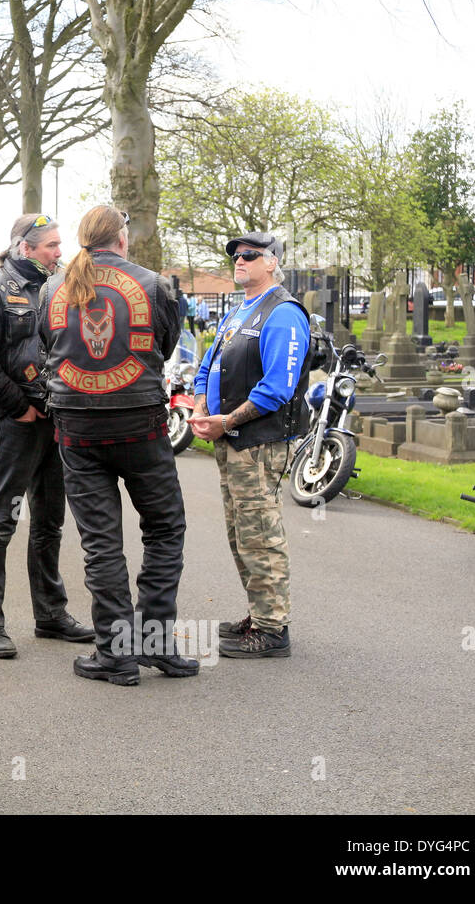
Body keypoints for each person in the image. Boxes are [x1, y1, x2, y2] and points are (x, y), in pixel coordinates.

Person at [40, 206, 197, 686]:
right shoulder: (156, 285)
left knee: (101, 544)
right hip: (141, 424)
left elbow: (46, 346)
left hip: (78, 426)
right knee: (165, 528)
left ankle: (115, 653)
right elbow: (165, 348)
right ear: (122, 240)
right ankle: (154, 642)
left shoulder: (50, 289)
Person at [0, 213, 91, 660]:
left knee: (50, 521)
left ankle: (51, 614)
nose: (59, 252)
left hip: (57, 421)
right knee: (1, 521)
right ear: (25, 248)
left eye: (59, 244)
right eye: (51, 245)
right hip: (14, 423)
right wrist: (19, 406)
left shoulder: (59, 289)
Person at [189, 231, 311, 660]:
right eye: (236, 256)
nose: (239, 261)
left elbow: (278, 387)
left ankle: (273, 629)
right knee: (239, 533)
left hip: (259, 443)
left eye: (250, 256)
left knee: (261, 535)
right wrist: (203, 406)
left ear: (272, 262)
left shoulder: (283, 314)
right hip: (230, 440)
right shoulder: (240, 312)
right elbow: (208, 364)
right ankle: (258, 615)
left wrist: (226, 420)